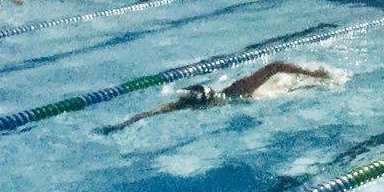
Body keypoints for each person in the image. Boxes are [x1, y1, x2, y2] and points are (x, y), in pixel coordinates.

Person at [98, 61, 335, 134]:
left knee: (301, 89)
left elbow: (276, 66)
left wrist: (313, 73)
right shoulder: (195, 104)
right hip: (262, 97)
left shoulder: (237, 89)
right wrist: (123, 124)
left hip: (279, 88)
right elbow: (158, 111)